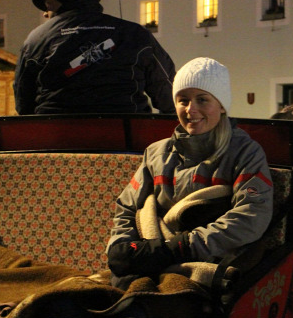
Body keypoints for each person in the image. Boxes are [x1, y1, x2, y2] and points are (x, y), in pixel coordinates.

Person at [106, 57, 274, 291]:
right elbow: (128, 207)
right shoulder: (156, 153)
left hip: (207, 265)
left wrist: (182, 246)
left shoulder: (244, 152)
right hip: (154, 259)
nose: (190, 110)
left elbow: (251, 216)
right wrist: (122, 246)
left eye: (202, 100)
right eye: (182, 100)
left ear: (222, 105)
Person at [14, 0, 176, 114]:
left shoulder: (35, 40)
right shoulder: (135, 33)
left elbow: (23, 104)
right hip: (126, 135)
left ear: (54, 3)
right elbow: (168, 93)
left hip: (57, 136)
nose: (45, 14)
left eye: (47, 6)